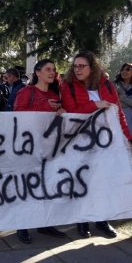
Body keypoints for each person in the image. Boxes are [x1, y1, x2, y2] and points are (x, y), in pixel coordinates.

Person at [61, 51, 132, 239]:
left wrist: (127, 138)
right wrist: (96, 105)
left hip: (105, 142)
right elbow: (71, 111)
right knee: (82, 181)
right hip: (80, 142)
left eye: (81, 66)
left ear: (92, 68)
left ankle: (102, 220)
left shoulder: (107, 84)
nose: (77, 69)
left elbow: (118, 113)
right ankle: (82, 222)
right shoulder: (68, 86)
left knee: (103, 182)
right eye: (75, 66)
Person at [13, 59, 67, 243]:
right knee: (28, 186)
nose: (52, 72)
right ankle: (22, 226)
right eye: (48, 69)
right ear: (37, 73)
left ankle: (45, 223)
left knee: (47, 185)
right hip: (29, 148)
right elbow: (19, 116)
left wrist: (61, 113)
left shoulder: (54, 93)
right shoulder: (26, 92)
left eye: (54, 69)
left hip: (49, 148)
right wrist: (46, 108)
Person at [114, 63, 132, 135]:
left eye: (127, 70)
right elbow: (113, 102)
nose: (124, 72)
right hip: (119, 118)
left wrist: (121, 97)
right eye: (122, 69)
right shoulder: (114, 84)